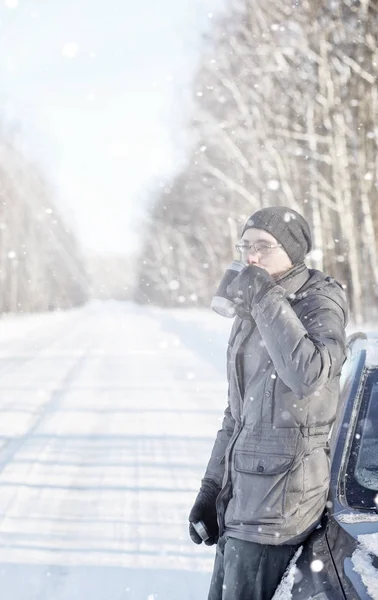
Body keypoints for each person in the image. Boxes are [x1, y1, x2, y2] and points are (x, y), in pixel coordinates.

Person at [188, 206, 348, 600]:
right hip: (240, 504)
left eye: (263, 246)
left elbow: (308, 374)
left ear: (293, 251)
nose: (251, 257)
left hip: (281, 507)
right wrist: (211, 489)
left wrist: (264, 295)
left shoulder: (319, 302)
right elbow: (237, 417)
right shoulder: (254, 306)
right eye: (246, 246)